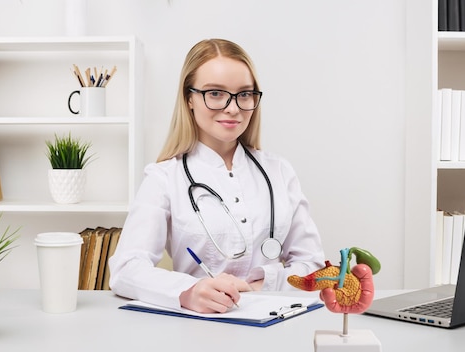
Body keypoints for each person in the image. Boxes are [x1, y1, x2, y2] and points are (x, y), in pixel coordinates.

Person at [108, 38, 325, 314]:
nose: (233, 107)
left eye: (244, 94)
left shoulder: (279, 172)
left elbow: (314, 269)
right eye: (215, 93)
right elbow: (126, 269)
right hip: (196, 327)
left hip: (272, 322)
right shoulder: (163, 177)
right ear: (189, 98)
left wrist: (262, 285)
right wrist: (187, 292)